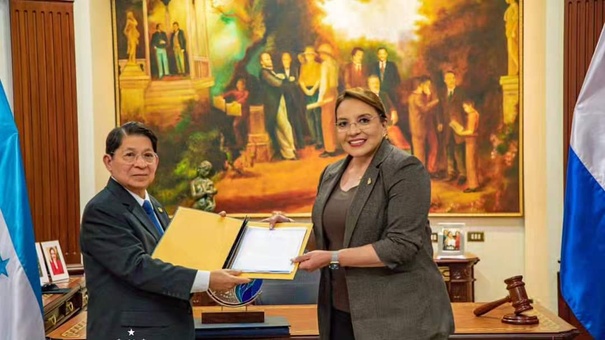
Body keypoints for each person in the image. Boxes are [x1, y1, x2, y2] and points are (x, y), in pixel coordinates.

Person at [267, 88, 454, 339]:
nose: (353, 131)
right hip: (339, 313)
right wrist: (288, 232)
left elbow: (400, 246)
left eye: (364, 120)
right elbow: (332, 235)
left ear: (384, 124)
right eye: (344, 124)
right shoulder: (331, 173)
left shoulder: (404, 168)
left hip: (398, 318)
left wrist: (332, 257)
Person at [80, 122, 250, 340]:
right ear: (108, 161)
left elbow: (172, 256)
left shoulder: (154, 206)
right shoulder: (102, 209)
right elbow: (139, 268)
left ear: (156, 161)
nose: (140, 164)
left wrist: (218, 234)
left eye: (147, 156)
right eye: (129, 155)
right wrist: (207, 279)